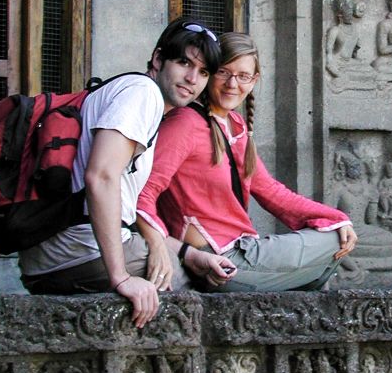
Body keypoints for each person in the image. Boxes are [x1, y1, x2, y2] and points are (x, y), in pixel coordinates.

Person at [18, 18, 230, 328]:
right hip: (79, 255)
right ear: (158, 59)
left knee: (197, 266)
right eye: (184, 62)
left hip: (54, 259)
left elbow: (124, 216)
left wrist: (187, 252)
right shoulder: (141, 93)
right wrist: (121, 278)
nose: (191, 79)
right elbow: (101, 176)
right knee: (206, 293)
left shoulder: (138, 98)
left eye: (203, 72)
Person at [137, 32, 357, 292]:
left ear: (254, 81)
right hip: (215, 259)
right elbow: (142, 191)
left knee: (338, 235)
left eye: (243, 76)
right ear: (209, 74)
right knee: (332, 244)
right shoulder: (185, 122)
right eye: (223, 72)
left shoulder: (235, 125)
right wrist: (165, 247)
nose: (232, 84)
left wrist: (335, 217)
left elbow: (272, 192)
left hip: (243, 249)